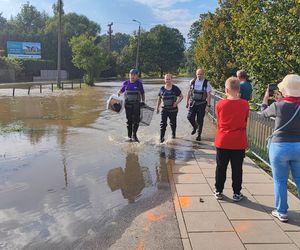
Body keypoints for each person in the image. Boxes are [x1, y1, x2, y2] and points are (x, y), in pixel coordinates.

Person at [260, 74, 300, 222]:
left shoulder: (278, 105)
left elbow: (263, 114)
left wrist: (266, 99)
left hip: (280, 147)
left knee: (280, 180)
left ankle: (282, 211)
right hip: (298, 147)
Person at [214, 77, 249, 201]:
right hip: (238, 141)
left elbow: (219, 121)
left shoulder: (220, 104)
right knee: (237, 169)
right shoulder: (245, 104)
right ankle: (236, 193)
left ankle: (218, 190)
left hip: (223, 139)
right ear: (239, 89)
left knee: (220, 167)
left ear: (226, 89)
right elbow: (245, 120)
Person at [118, 69, 145, 142]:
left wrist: (143, 101)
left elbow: (142, 93)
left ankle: (134, 136)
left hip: (136, 104)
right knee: (129, 121)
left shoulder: (139, 84)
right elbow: (120, 91)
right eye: (131, 75)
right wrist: (118, 94)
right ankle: (129, 137)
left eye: (134, 75)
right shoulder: (125, 83)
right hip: (128, 105)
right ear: (129, 75)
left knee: (136, 120)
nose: (132, 76)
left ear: (137, 76)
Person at [186, 68, 212, 141]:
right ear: (196, 74)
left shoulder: (206, 83)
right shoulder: (192, 81)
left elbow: (209, 94)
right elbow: (189, 92)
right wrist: (187, 101)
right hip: (193, 102)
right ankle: (195, 127)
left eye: (201, 74)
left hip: (202, 103)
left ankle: (199, 135)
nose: (199, 76)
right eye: (198, 74)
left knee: (200, 120)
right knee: (189, 117)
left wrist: (209, 106)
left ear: (203, 74)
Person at [156, 73, 183, 143]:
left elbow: (181, 96)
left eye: (169, 79)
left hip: (173, 110)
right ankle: (161, 139)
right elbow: (159, 99)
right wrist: (157, 108)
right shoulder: (162, 89)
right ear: (164, 80)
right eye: (166, 79)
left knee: (173, 123)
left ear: (171, 79)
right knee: (163, 124)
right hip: (164, 109)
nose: (168, 80)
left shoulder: (175, 88)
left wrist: (176, 103)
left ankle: (173, 135)